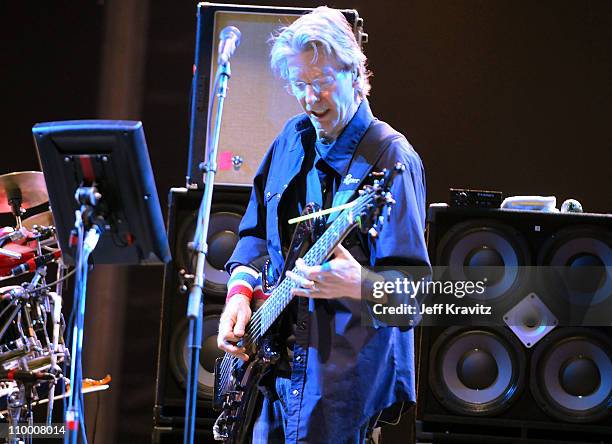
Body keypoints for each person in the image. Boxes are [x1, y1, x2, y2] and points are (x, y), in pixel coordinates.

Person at [217, 6, 429, 443]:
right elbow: (255, 232)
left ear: (355, 74)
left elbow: (414, 298)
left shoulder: (391, 160)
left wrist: (361, 284)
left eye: (322, 82)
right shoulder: (290, 140)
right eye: (299, 84)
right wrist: (239, 292)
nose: (310, 98)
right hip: (270, 377)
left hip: (340, 393)